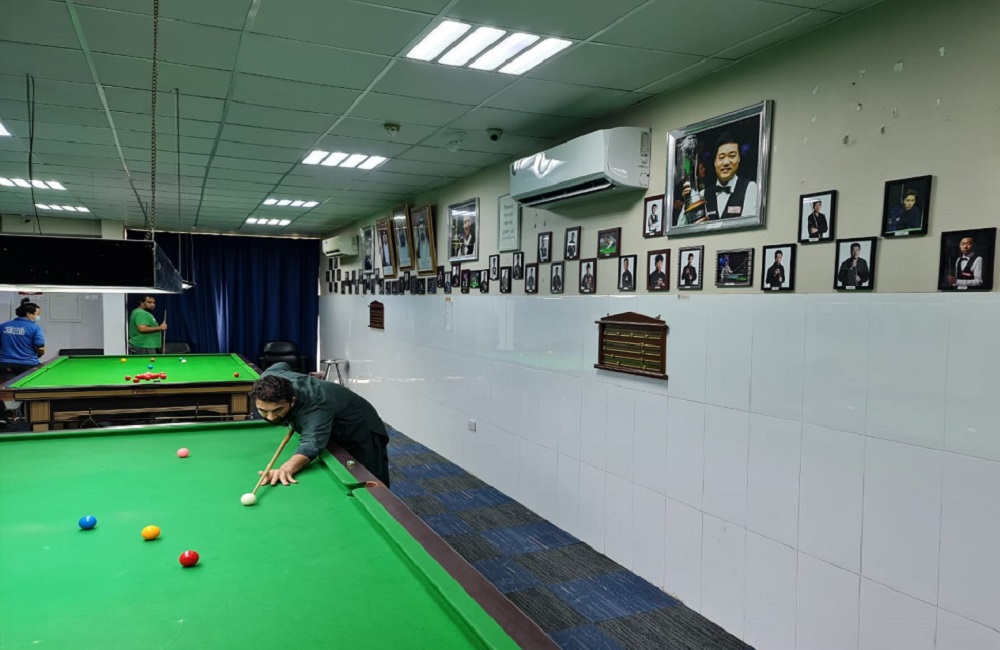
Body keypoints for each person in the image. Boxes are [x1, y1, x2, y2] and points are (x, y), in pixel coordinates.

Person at [252, 364, 390, 487]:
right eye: (263, 411)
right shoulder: (269, 377)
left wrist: (286, 468)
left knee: (370, 478)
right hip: (331, 418)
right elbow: (281, 365)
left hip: (359, 427)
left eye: (277, 410)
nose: (270, 417)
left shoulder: (315, 405)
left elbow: (310, 445)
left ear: (292, 401)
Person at [684, 132, 759, 221]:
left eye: (732, 156)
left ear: (739, 159)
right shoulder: (703, 194)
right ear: (715, 162)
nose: (726, 162)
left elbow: (748, 225)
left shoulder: (750, 188)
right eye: (721, 157)